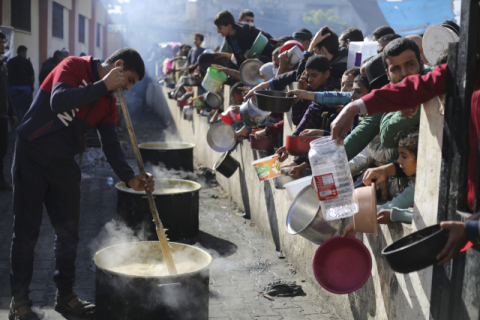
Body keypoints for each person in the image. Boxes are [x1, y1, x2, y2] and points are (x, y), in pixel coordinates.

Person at [9, 48, 155, 320]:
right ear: (119, 66)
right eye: (130, 79)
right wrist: (102, 85)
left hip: (63, 165)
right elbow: (58, 101)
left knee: (69, 235)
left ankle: (65, 296)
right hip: (31, 156)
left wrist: (129, 177)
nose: (129, 88)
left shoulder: (108, 102)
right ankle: (20, 303)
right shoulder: (73, 66)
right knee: (26, 234)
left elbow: (111, 145)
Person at [329, 23, 480, 265]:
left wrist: (473, 228)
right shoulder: (463, 66)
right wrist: (352, 109)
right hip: (461, 203)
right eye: (396, 69)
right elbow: (381, 134)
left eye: (410, 65)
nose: (405, 73)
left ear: (422, 62)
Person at [343, 128, 419, 237]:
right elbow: (393, 204)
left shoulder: (440, 185)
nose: (398, 161)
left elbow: (435, 218)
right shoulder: (415, 186)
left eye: (404, 156)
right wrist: (357, 224)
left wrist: (397, 215)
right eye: (399, 155)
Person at [0, 32, 17, 190]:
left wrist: (11, 112)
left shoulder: (3, 66)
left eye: (3, 42)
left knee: (3, 149)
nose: (3, 45)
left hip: (3, 116)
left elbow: (6, 93)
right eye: (0, 42)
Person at [7, 45, 35, 123]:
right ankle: (24, 129)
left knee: (14, 112)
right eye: (25, 53)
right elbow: (32, 77)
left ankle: (14, 129)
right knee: (26, 113)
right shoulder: (27, 62)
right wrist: (32, 87)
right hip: (26, 92)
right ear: (23, 53)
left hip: (13, 91)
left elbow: (7, 76)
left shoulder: (10, 62)